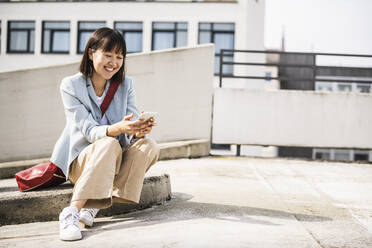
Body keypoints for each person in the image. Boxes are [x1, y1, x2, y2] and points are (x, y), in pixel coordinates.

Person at [50, 27, 160, 241]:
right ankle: (72, 212)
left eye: (119, 56)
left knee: (149, 146)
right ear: (91, 53)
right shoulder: (71, 85)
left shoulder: (126, 85)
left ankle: (94, 203)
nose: (114, 62)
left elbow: (129, 129)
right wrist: (118, 129)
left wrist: (138, 131)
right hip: (81, 161)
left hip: (115, 156)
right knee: (108, 143)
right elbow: (90, 131)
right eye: (108, 54)